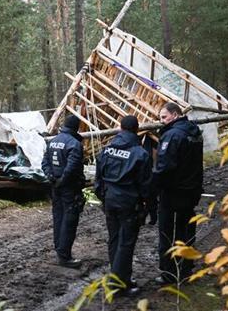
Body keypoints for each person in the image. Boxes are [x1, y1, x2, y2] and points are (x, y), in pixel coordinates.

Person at [95, 115, 153, 296]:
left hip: (110, 200)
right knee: (126, 243)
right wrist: (149, 206)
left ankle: (122, 277)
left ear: (120, 128)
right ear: (137, 130)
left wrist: (103, 197)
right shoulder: (140, 153)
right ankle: (117, 284)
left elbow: (98, 178)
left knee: (114, 240)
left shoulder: (106, 150)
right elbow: (146, 184)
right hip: (128, 203)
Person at [153, 102, 203, 284]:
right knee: (187, 230)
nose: (162, 121)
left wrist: (153, 187)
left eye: (164, 117)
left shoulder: (172, 135)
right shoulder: (194, 132)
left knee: (167, 232)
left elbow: (165, 167)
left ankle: (169, 273)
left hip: (173, 192)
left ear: (175, 115)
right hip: (191, 189)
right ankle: (186, 268)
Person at [42, 115, 86, 269]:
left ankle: (59, 249)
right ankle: (64, 255)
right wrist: (63, 180)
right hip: (69, 188)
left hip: (56, 186)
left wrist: (51, 177)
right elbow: (73, 166)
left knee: (58, 217)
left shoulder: (53, 141)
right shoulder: (74, 144)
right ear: (76, 128)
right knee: (69, 219)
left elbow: (45, 162)